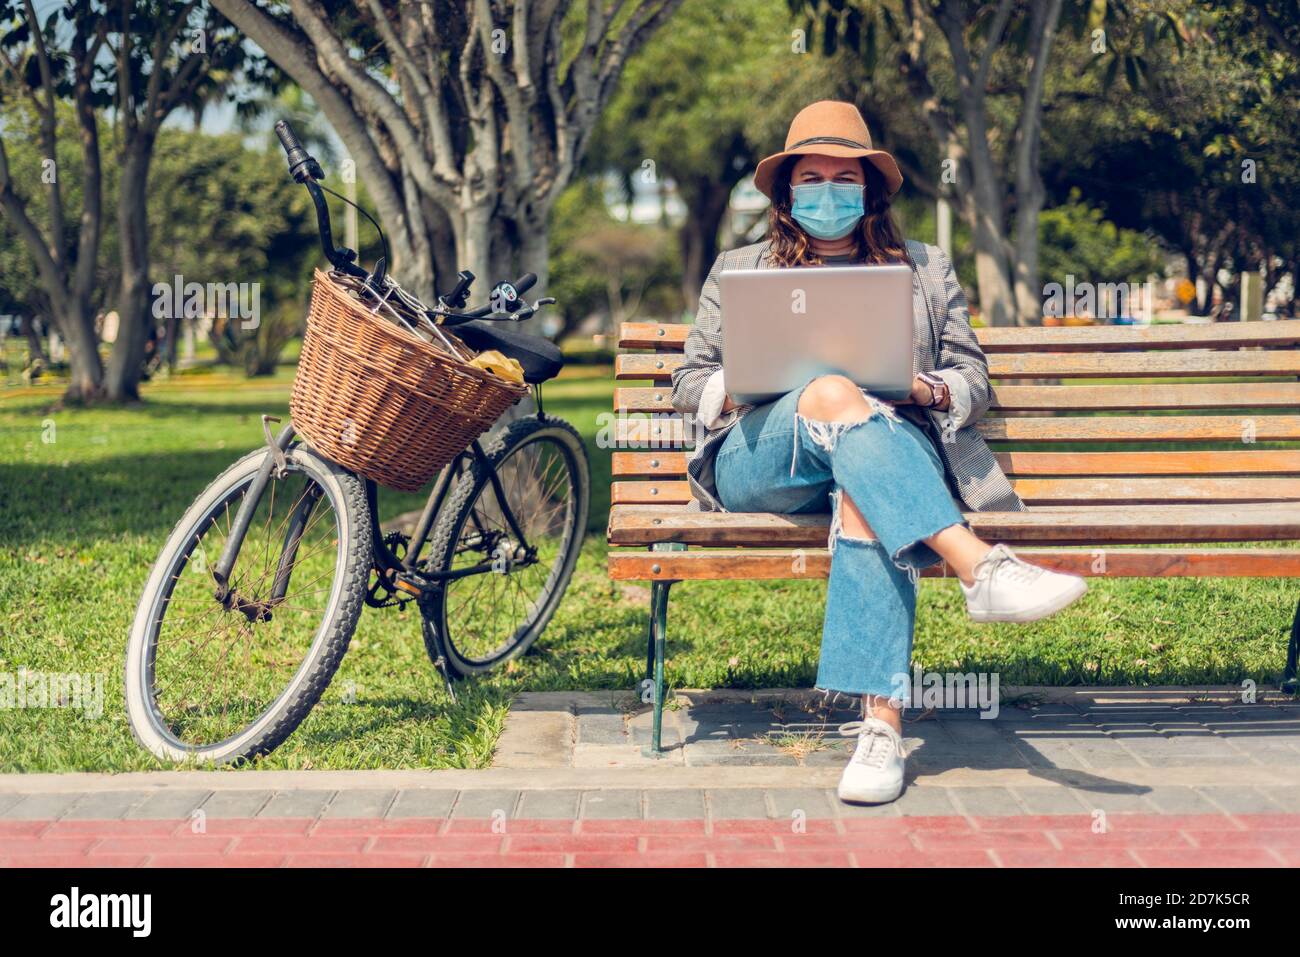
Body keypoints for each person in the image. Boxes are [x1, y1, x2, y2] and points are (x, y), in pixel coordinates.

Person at [671, 101, 1087, 805]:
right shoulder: (739, 268)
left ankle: (881, 731)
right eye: (812, 177)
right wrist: (739, 384)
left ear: (869, 189)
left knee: (863, 474)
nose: (827, 191)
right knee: (834, 391)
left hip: (886, 458)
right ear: (786, 190)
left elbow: (972, 376)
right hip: (764, 460)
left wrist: (928, 386)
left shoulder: (925, 269)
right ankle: (978, 564)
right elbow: (686, 383)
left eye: (844, 176)